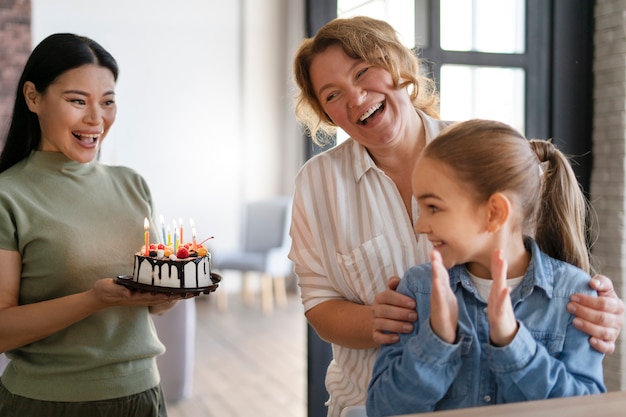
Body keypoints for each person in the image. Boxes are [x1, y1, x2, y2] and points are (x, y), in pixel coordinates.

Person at [289, 16, 624, 417]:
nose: (356, 97)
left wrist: (595, 308)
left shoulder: (479, 154)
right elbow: (320, 303)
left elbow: (543, 262)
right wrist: (400, 326)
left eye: (363, 72)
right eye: (332, 95)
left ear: (398, 65)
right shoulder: (318, 183)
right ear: (325, 114)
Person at [366, 119, 606, 416]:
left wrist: (512, 341)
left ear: (494, 213)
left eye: (433, 207)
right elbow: (381, 409)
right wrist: (437, 339)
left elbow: (589, 409)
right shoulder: (417, 289)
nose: (420, 225)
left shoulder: (575, 295)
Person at [0, 33, 180, 416]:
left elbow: (151, 304)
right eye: (77, 101)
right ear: (33, 97)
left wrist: (165, 297)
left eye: (108, 102)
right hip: (47, 403)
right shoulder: (8, 195)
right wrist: (93, 299)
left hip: (144, 395)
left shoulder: (133, 185)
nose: (96, 119)